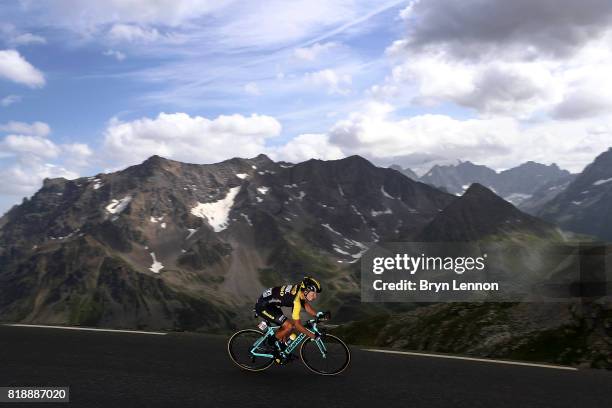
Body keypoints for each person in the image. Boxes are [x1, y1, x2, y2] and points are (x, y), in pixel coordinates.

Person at [255, 276, 329, 358]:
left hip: (271, 304)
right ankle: (269, 343)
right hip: (263, 306)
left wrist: (317, 314)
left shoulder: (300, 290)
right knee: (289, 326)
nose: (315, 297)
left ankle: (280, 346)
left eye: (316, 294)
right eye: (313, 294)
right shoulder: (296, 300)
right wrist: (313, 336)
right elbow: (298, 325)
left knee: (287, 326)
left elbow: (305, 304)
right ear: (306, 291)